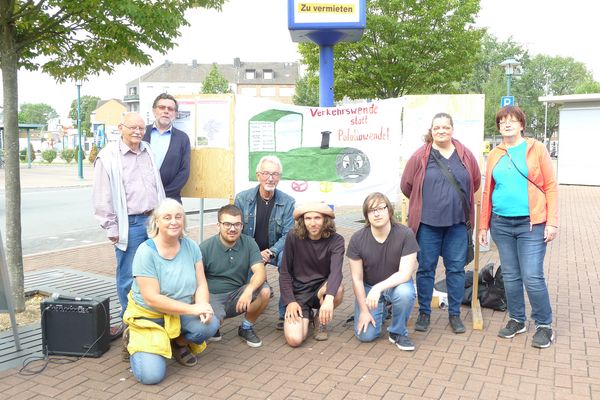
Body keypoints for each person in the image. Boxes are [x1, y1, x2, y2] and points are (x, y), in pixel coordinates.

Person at [479, 105, 558, 348]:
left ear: (522, 125)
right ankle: (517, 319)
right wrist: (484, 225)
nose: (508, 124)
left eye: (512, 120)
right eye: (503, 122)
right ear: (499, 127)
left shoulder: (536, 149)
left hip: (531, 224)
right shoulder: (495, 154)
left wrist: (552, 222)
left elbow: (551, 186)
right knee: (511, 276)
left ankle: (544, 324)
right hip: (501, 224)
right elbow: (487, 191)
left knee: (532, 276)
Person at [123, 199, 219, 384]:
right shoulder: (146, 252)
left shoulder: (191, 246)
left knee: (210, 324)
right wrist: (194, 310)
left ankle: (178, 343)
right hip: (150, 317)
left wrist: (202, 306)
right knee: (151, 377)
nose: (174, 221)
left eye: (178, 217)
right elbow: (152, 299)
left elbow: (201, 284)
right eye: (167, 217)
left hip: (180, 313)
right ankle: (133, 339)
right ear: (156, 222)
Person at [400, 112, 481, 334]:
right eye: (437, 128)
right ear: (431, 130)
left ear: (452, 129)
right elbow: (406, 185)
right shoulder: (420, 156)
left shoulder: (465, 155)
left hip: (456, 224)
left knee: (455, 270)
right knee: (426, 269)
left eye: (445, 127)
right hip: (427, 224)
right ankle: (424, 312)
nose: (441, 131)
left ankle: (454, 314)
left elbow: (474, 182)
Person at [93, 112, 165, 338]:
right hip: (130, 224)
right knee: (128, 276)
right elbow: (102, 197)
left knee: (157, 272)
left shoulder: (148, 151)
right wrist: (111, 228)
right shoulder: (108, 157)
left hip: (154, 220)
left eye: (141, 128)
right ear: (120, 127)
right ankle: (131, 324)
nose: (137, 131)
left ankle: (155, 318)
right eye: (132, 127)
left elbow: (157, 185)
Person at [347, 193, 419, 351]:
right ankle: (378, 308)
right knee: (366, 336)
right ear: (366, 215)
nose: (377, 213)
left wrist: (378, 288)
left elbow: (405, 274)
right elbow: (356, 278)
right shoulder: (357, 239)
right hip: (368, 286)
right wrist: (364, 311)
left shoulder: (405, 234)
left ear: (389, 210)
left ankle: (397, 332)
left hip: (396, 285)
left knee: (405, 293)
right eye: (372, 210)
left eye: (381, 208)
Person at [234, 155, 295, 330]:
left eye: (275, 174)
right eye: (266, 173)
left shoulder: (288, 202)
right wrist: (254, 253)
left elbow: (288, 235)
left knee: (288, 258)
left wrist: (272, 252)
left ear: (279, 177)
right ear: (258, 175)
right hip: (249, 250)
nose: (270, 178)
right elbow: (236, 230)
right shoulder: (242, 199)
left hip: (274, 251)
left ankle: (285, 314)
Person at [200, 205, 271, 347]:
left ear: (242, 226)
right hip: (213, 296)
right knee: (208, 328)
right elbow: (196, 280)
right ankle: (215, 327)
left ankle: (246, 327)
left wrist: (249, 291)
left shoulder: (249, 243)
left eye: (237, 224)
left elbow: (260, 271)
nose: (232, 229)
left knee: (265, 291)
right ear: (218, 225)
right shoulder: (205, 248)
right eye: (227, 224)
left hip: (238, 295)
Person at [279, 202, 345, 347]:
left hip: (320, 290)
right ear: (303, 221)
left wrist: (329, 300)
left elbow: (336, 272)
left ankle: (319, 319)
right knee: (294, 340)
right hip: (299, 292)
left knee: (338, 289)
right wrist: (290, 301)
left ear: (325, 220)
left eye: (317, 218)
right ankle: (306, 314)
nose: (313, 223)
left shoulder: (336, 240)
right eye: (308, 218)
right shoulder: (293, 236)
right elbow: (284, 272)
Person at [143, 93, 191, 203]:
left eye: (170, 109)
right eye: (162, 107)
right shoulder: (141, 133)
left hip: (170, 200)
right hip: (142, 201)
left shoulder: (182, 139)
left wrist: (163, 195)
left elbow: (184, 172)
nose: (166, 111)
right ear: (154, 111)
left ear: (175, 114)